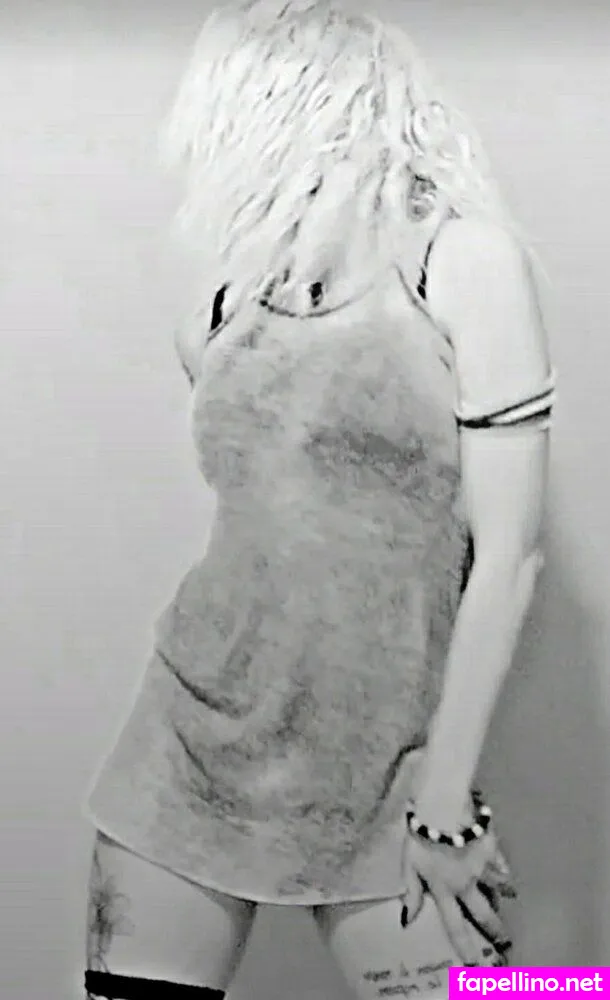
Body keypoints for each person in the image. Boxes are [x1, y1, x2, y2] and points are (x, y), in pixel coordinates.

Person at [82, 1, 555, 997]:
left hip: (392, 768)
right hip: (189, 743)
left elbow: (508, 557)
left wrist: (443, 798)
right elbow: (273, 522)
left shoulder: (464, 262)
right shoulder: (224, 304)